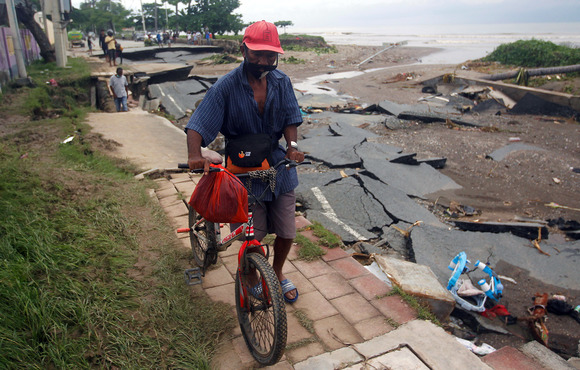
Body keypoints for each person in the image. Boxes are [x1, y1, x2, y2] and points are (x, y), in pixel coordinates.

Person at [185, 20, 304, 304]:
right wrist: (194, 155)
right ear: (243, 50)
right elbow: (198, 125)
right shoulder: (225, 86)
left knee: (287, 231)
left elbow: (290, 118)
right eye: (257, 54)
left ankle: (275, 273)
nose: (263, 61)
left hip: (276, 163)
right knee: (253, 234)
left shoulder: (281, 81)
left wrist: (293, 146)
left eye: (270, 55)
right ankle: (251, 276)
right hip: (242, 167)